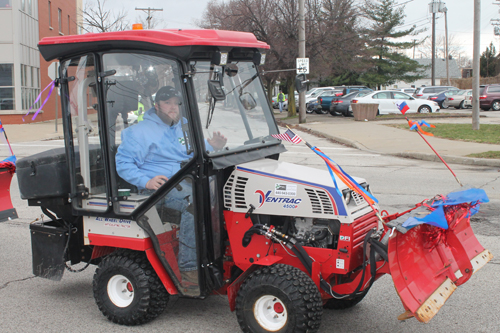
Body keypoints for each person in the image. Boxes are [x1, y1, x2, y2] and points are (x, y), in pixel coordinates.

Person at [115, 85, 226, 293]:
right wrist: (146, 181)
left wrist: (213, 146)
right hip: (158, 189)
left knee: (221, 195)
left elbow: (197, 152)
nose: (173, 108)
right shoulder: (139, 132)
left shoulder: (184, 126)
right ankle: (190, 270)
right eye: (167, 103)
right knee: (195, 203)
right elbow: (123, 164)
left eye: (176, 103)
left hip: (186, 180)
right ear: (156, 106)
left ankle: (218, 255)